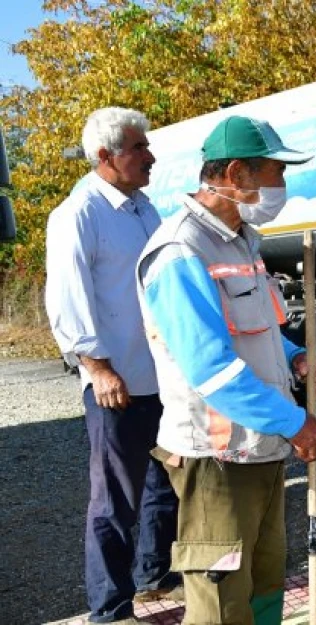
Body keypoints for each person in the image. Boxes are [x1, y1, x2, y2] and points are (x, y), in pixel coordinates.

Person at [136, 115, 316, 624]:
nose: (281, 186)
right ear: (237, 174)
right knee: (220, 603)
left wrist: (295, 357)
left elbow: (258, 331)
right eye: (274, 172)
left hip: (260, 448)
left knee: (266, 586)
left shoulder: (241, 239)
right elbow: (211, 367)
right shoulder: (181, 250)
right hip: (217, 459)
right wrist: (295, 422)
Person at [44, 107, 181, 624]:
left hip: (158, 375)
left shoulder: (144, 209)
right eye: (138, 148)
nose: (150, 156)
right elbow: (67, 300)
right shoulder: (78, 214)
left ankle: (152, 573)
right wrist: (98, 369)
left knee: (161, 483)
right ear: (106, 157)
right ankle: (110, 606)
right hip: (116, 381)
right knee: (114, 499)